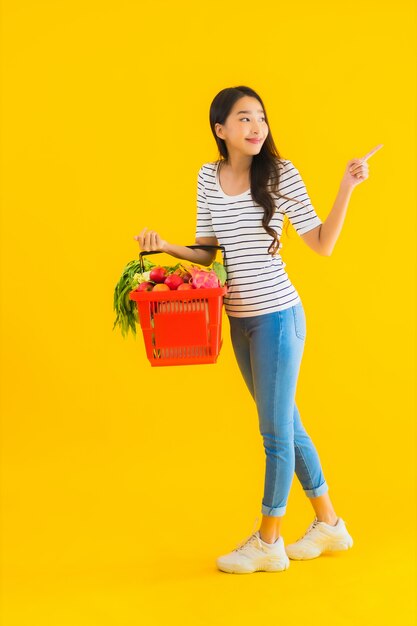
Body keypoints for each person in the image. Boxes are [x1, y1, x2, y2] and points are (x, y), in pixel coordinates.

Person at [134, 85, 377, 575]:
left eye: (261, 118)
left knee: (273, 432)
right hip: (237, 320)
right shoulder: (208, 176)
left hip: (279, 318)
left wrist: (346, 187)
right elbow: (207, 250)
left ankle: (269, 540)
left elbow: (322, 244)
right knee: (286, 422)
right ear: (220, 130)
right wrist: (167, 247)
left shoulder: (281, 175)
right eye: (244, 119)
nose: (256, 127)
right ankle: (330, 524)